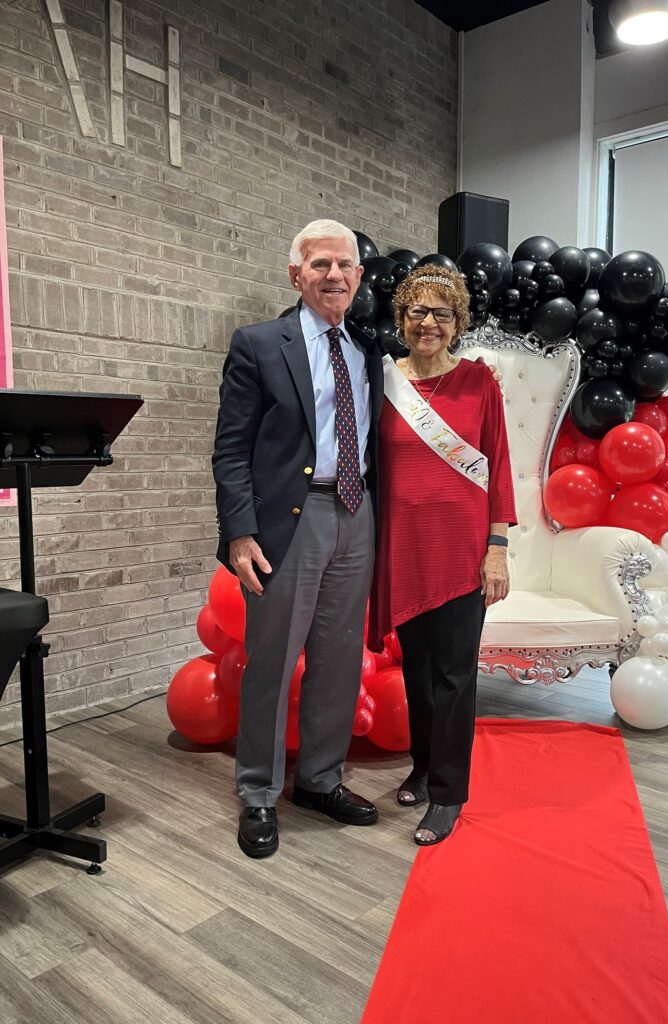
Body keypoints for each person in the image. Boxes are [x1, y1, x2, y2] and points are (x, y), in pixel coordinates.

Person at [212, 219, 382, 859]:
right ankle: (258, 793)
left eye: (344, 265)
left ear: (359, 277)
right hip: (287, 521)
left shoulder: (367, 353)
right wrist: (239, 532)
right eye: (319, 266)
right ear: (296, 275)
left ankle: (319, 781)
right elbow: (230, 450)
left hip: (355, 513)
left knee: (339, 662)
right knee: (273, 662)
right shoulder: (259, 343)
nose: (333, 275)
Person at [368, 264, 516, 846]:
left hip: (462, 552)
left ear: (458, 323)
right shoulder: (382, 382)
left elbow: (499, 467)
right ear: (402, 318)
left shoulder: (479, 384)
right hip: (402, 550)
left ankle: (449, 794)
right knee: (419, 672)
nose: (428, 322)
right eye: (417, 311)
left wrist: (497, 548)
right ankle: (424, 768)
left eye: (442, 313)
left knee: (455, 676)